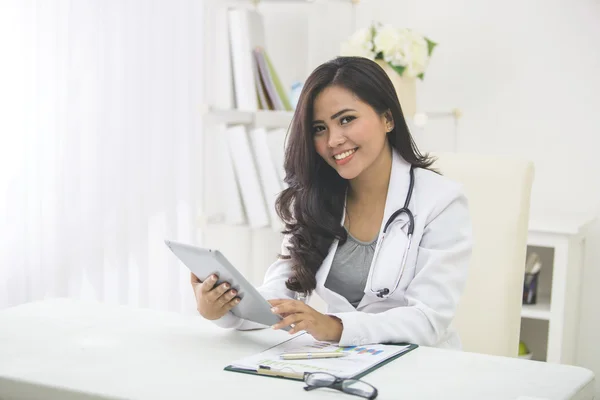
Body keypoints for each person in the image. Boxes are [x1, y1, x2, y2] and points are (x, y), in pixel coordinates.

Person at [191, 56, 472, 349]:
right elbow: (283, 290)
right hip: (343, 363)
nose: (333, 140)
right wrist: (227, 309)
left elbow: (428, 320)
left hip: (418, 367)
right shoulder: (316, 197)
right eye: (319, 128)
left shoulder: (441, 201)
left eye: (347, 119)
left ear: (387, 119)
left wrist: (335, 326)